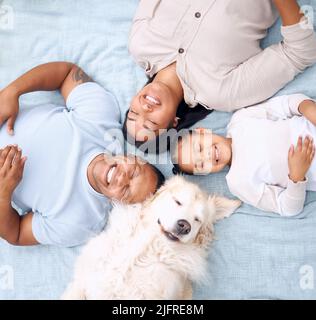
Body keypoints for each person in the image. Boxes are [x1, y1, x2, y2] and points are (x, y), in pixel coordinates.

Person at [0, 62, 165, 247]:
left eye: (126, 191)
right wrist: (11, 92)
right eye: (134, 173)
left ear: (120, 206)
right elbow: (67, 73)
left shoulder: (80, 225)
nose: (122, 178)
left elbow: (16, 234)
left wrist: (3, 193)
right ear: (134, 158)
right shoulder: (102, 119)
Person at [124, 0, 316, 148]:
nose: (145, 109)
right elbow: (301, 51)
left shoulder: (140, 44)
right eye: (150, 123)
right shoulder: (220, 92)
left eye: (133, 113)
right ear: (174, 123)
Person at [171, 94, 316, 217]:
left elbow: (286, 104)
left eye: (200, 147)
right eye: (201, 165)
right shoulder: (238, 183)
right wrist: (297, 176)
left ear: (203, 131)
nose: (207, 156)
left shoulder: (241, 119)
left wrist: (306, 107)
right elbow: (288, 208)